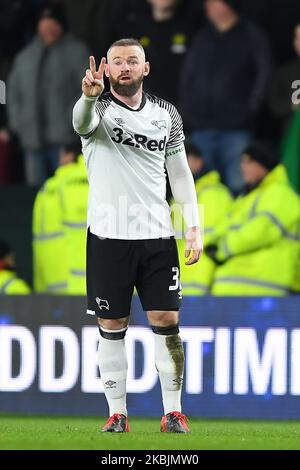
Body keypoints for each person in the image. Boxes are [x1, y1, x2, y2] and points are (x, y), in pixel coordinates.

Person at [72, 38, 202, 433]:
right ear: (106, 70)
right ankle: (117, 413)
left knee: (167, 319)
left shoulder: (166, 115)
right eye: (117, 62)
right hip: (109, 237)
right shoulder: (97, 111)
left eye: (133, 61)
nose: (124, 67)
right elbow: (80, 123)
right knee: (112, 325)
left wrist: (192, 226)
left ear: (146, 68)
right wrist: (88, 98)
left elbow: (179, 174)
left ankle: (173, 412)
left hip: (158, 237)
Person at [180, 0, 272, 194]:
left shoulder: (251, 35)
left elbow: (264, 73)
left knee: (239, 185)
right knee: (199, 188)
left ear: (227, 5)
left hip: (236, 128)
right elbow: (187, 76)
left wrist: (250, 109)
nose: (207, 6)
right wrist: (189, 111)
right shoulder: (203, 37)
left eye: (213, 2)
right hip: (202, 126)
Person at [7, 3, 89, 186]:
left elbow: (86, 91)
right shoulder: (25, 56)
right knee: (35, 195)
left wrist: (73, 124)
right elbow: (12, 92)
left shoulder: (77, 52)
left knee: (66, 190)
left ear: (62, 26)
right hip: (31, 142)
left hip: (65, 142)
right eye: (44, 24)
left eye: (53, 24)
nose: (48, 29)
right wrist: (17, 124)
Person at [207, 142, 300, 295]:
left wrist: (222, 247)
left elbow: (261, 230)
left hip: (262, 287)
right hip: (235, 285)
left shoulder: (280, 193)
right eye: (242, 161)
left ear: (263, 164)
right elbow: (225, 226)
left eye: (248, 161)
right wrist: (211, 242)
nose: (243, 167)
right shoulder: (247, 197)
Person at [172, 139, 232, 294]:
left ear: (198, 162)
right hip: (179, 275)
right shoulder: (178, 196)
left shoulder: (213, 193)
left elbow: (210, 238)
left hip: (200, 278)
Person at [32, 140, 88, 294]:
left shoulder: (49, 189)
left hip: (63, 290)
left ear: (69, 157)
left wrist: (41, 289)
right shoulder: (108, 180)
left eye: (61, 156)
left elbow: (41, 242)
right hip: (112, 289)